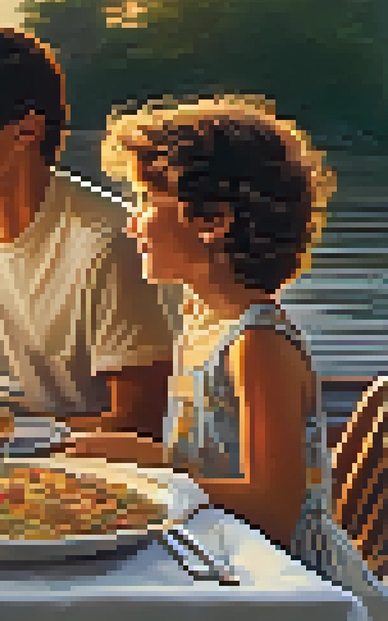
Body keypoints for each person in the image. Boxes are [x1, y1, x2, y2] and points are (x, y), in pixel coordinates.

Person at [70, 96, 388, 616]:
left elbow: (273, 506)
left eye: (147, 202)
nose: (132, 225)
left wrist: (154, 466)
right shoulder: (200, 322)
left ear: (213, 220)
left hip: (291, 587)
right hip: (222, 560)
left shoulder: (257, 343)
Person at [0, 27, 175, 435]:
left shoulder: (110, 242)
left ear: (26, 130)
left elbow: (139, 424)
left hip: (94, 479)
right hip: (2, 465)